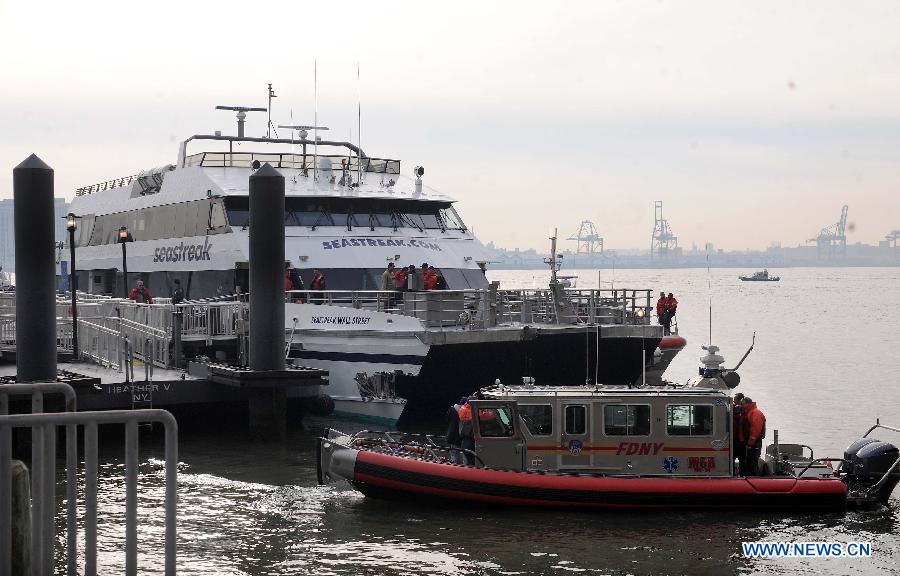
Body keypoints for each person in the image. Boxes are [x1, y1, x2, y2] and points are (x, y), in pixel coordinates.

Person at [741, 396, 767, 476]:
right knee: (749, 461)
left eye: (742, 404)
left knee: (753, 461)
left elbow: (755, 430)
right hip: (751, 443)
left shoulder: (755, 413)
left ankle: (753, 477)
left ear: (747, 404)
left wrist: (750, 443)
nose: (741, 406)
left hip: (754, 443)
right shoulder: (749, 412)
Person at [445, 396, 467, 464]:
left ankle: (453, 467)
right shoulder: (466, 411)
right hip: (462, 435)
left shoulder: (452, 409)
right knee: (465, 454)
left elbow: (446, 419)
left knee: (454, 454)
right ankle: (465, 468)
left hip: (452, 435)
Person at [457, 399, 475, 465]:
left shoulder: (462, 409)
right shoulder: (471, 412)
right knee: (471, 460)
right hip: (469, 441)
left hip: (465, 441)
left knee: (468, 459)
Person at [731, 393, 745, 474]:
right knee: (732, 457)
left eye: (735, 400)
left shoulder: (744, 411)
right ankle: (733, 472)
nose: (733, 402)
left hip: (740, 440)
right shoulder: (733, 409)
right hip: (735, 439)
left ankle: (742, 474)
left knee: (742, 459)